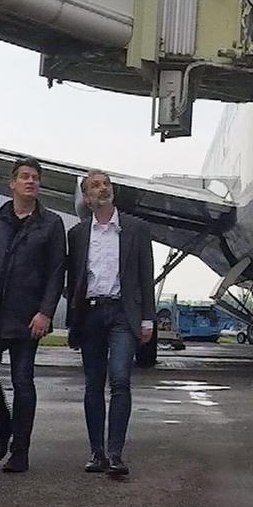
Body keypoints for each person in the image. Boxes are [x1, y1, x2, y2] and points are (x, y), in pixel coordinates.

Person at [0, 157, 66, 472]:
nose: (30, 181)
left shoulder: (51, 224)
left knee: (22, 381)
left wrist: (46, 312)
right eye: (24, 176)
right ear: (12, 183)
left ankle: (20, 452)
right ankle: (3, 426)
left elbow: (56, 273)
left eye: (35, 177)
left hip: (28, 317)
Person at [66, 169, 155, 479]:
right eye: (95, 186)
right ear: (86, 197)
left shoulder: (136, 229)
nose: (102, 189)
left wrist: (147, 318)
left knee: (119, 379)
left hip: (122, 314)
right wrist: (73, 320)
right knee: (93, 384)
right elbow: (73, 280)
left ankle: (115, 452)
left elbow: (146, 275)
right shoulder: (78, 234)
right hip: (90, 314)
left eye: (106, 184)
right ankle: (97, 452)